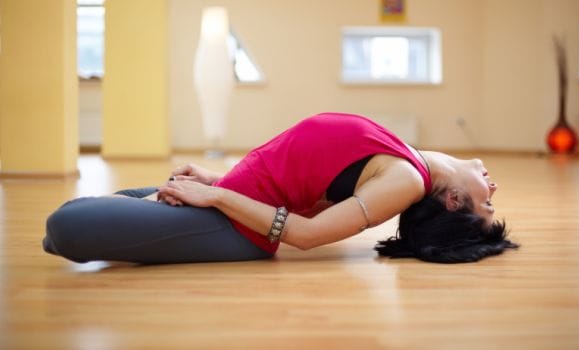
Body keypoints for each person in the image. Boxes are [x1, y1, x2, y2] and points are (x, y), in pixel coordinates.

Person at [43, 112, 517, 265]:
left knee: (64, 226)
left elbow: (306, 235)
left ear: (453, 201)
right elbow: (301, 179)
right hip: (225, 201)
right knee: (106, 210)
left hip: (231, 227)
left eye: (487, 199)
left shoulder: (407, 181)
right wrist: (216, 179)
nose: (491, 184)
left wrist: (216, 198)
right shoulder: (405, 157)